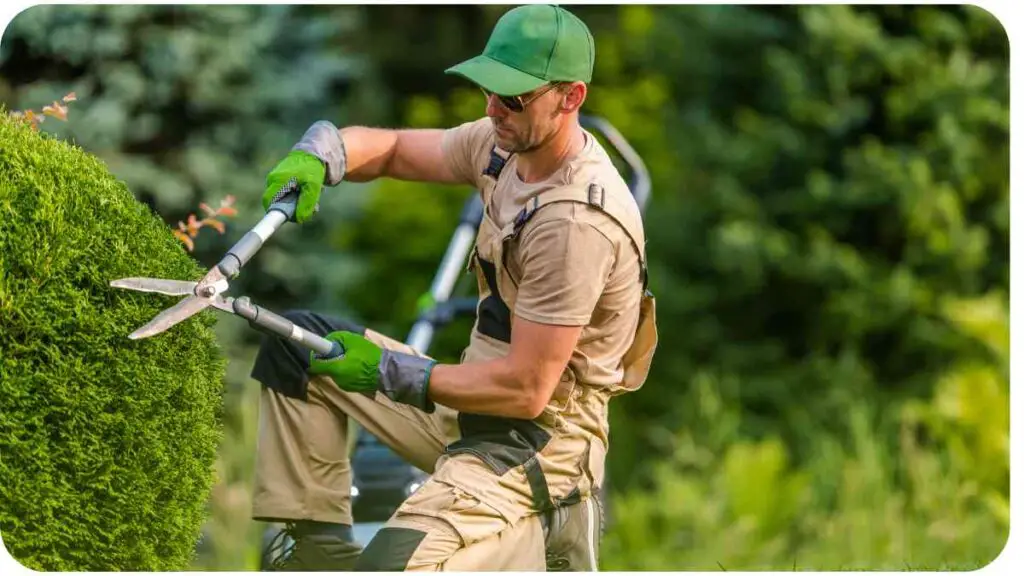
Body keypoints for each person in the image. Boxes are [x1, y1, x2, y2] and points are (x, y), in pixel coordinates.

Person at [250, 4, 658, 571]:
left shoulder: (575, 223)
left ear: (570, 98)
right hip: (465, 410)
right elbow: (392, 150)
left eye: (512, 97)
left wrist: (390, 371)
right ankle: (320, 555)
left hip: (534, 449)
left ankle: (549, 523)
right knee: (297, 350)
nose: (493, 108)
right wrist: (324, 151)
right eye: (488, 89)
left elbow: (525, 392)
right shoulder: (504, 145)